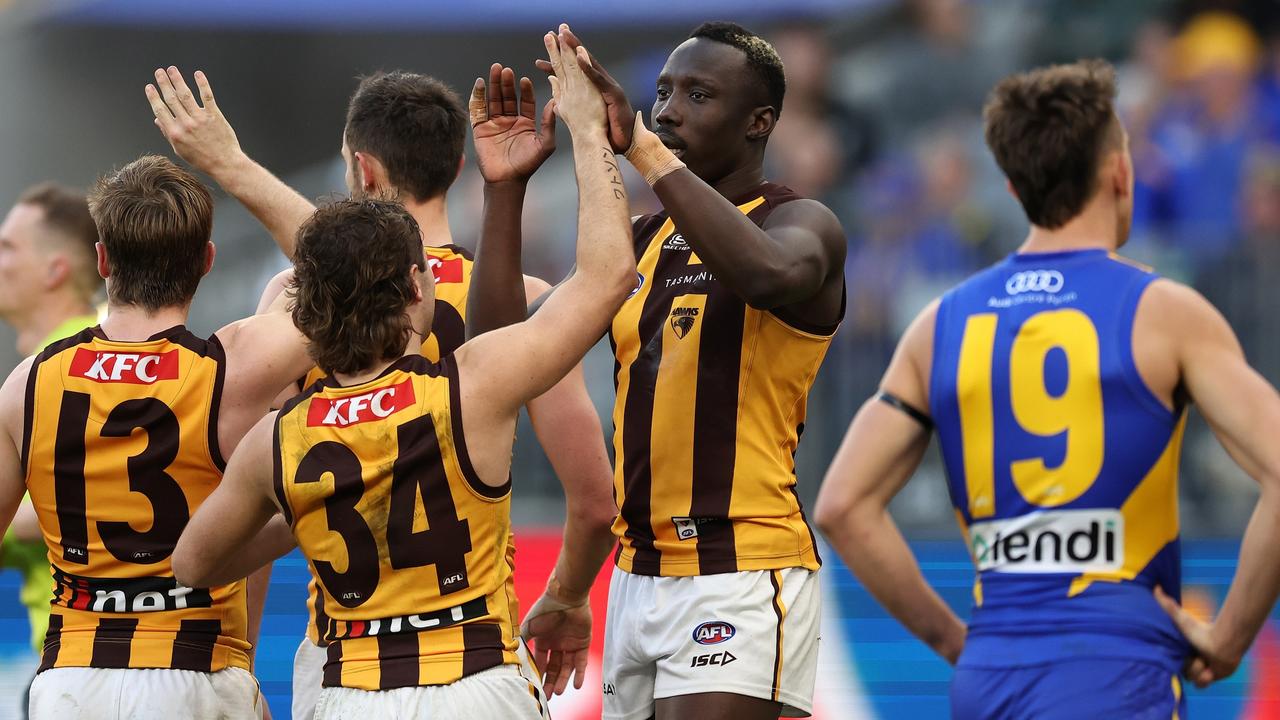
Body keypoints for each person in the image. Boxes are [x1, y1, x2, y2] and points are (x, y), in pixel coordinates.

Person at [171, 33, 634, 718]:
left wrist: (231, 166)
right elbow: (597, 500)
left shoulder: (283, 390)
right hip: (476, 666)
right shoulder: (489, 360)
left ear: (362, 170)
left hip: (340, 673)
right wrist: (590, 134)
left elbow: (200, 559)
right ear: (418, 290)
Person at [815, 60, 1280, 719]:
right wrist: (1230, 637)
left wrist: (956, 641)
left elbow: (841, 506)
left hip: (992, 676)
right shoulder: (1164, 312)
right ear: (1120, 171)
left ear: (1011, 186)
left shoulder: (937, 325)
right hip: (1117, 668)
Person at [517, 22, 846, 720]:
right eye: (663, 93)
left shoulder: (804, 223)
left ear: (759, 123)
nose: (668, 111)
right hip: (635, 579)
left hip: (741, 568)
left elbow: (765, 274)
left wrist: (640, 146)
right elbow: (511, 348)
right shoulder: (643, 241)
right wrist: (505, 190)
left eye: (698, 95)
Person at [0, 155, 317, 718]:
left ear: (101, 260)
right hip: (196, 672)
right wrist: (231, 162)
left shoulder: (27, 383)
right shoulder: (233, 369)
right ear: (207, 262)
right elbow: (360, 273)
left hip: (72, 682)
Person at [0, 184, 102, 715]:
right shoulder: (37, 373)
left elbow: (84, 498)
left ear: (54, 270)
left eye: (8, 247)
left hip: (87, 664)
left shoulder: (73, 367)